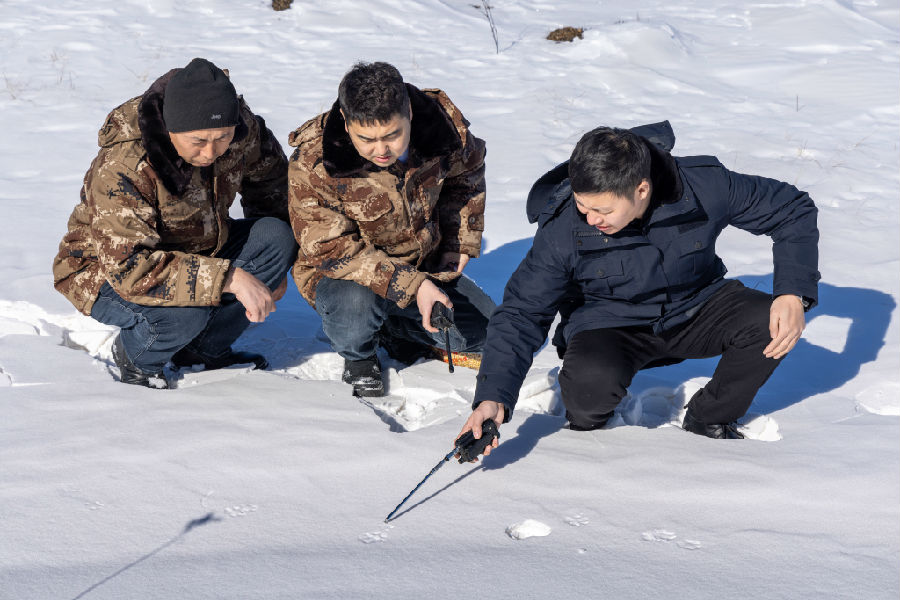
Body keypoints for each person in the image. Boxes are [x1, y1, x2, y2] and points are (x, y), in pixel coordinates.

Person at [459, 121, 819, 448]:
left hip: (695, 306)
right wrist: (494, 397)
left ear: (641, 189)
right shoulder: (564, 227)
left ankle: (710, 417)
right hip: (609, 325)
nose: (591, 218)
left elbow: (792, 210)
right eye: (584, 206)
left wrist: (792, 292)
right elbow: (522, 313)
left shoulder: (701, 186)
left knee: (771, 323)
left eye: (603, 210)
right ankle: (596, 434)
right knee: (588, 394)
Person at [52, 58, 296, 389]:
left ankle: (202, 351)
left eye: (222, 138)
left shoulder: (238, 127)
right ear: (171, 128)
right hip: (104, 269)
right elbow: (128, 267)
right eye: (198, 141)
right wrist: (229, 278)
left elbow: (272, 187)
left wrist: (276, 268)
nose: (211, 151)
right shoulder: (125, 164)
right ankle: (138, 355)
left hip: (197, 245)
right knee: (184, 312)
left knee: (275, 237)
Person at [287, 61, 495, 397]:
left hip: (422, 265)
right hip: (346, 277)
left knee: (485, 336)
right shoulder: (315, 162)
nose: (381, 150)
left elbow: (467, 175)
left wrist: (460, 240)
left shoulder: (442, 125)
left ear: (409, 112)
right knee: (355, 311)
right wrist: (414, 288)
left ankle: (395, 327)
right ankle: (359, 356)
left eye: (392, 135)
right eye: (366, 139)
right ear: (345, 120)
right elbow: (331, 250)